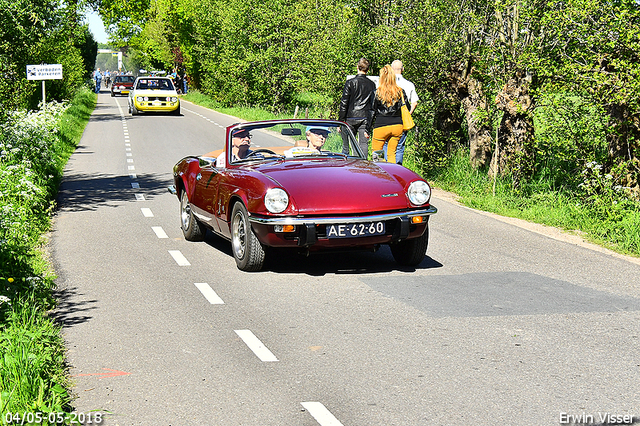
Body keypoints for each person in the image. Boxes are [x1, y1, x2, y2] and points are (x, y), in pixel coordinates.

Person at [369, 65, 408, 164]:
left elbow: (372, 111)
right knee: (392, 154)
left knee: (377, 154)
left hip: (381, 125)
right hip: (397, 126)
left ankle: (380, 176)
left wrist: (367, 128)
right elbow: (407, 107)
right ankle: (393, 175)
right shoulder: (400, 91)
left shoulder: (377, 92)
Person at [339, 58, 376, 156]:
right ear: (367, 70)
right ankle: (362, 164)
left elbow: (344, 103)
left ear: (357, 67)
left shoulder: (350, 82)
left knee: (350, 144)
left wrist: (341, 121)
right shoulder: (372, 84)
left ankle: (352, 164)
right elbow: (373, 105)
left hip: (350, 116)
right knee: (363, 143)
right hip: (364, 116)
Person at [387, 60, 419, 165]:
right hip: (401, 120)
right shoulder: (409, 84)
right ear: (403, 69)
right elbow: (414, 103)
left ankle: (387, 168)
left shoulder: (386, 83)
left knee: (386, 144)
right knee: (399, 146)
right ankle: (397, 168)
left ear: (391, 69)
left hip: (387, 119)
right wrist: (408, 114)